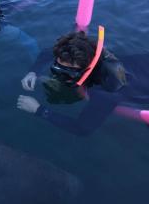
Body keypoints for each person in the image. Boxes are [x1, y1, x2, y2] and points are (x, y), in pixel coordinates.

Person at [17, 30, 149, 136]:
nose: (58, 74)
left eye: (66, 72)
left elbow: (82, 128)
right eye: (56, 68)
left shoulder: (104, 92)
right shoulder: (94, 52)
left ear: (85, 70)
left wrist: (39, 110)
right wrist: (33, 72)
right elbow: (50, 53)